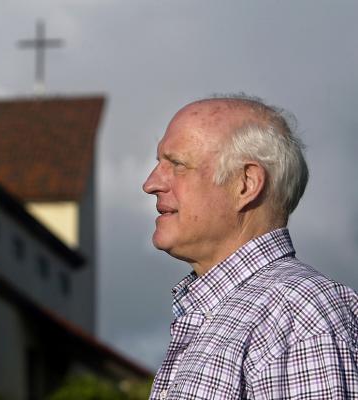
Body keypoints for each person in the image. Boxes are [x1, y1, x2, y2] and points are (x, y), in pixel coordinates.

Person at [143, 95, 358, 399]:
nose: (151, 183)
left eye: (177, 164)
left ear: (245, 183)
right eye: (159, 164)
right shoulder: (229, 313)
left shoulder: (296, 312)